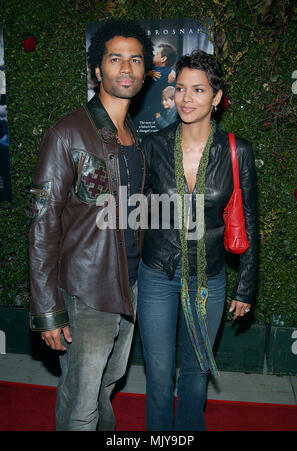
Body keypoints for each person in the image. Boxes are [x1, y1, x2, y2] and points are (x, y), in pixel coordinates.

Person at [28, 20, 153, 431]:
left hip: (128, 285)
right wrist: (48, 309)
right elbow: (42, 226)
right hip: (86, 290)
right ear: (97, 69)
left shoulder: (132, 136)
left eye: (135, 60)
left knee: (106, 386)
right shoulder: (67, 133)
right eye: (115, 58)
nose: (126, 68)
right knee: (81, 401)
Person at [137, 50, 258, 431]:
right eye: (180, 88)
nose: (186, 98)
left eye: (199, 89)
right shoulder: (153, 144)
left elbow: (249, 221)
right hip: (157, 273)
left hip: (210, 279)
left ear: (217, 97)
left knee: (194, 375)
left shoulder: (237, 151)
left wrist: (246, 287)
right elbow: (133, 214)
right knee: (158, 378)